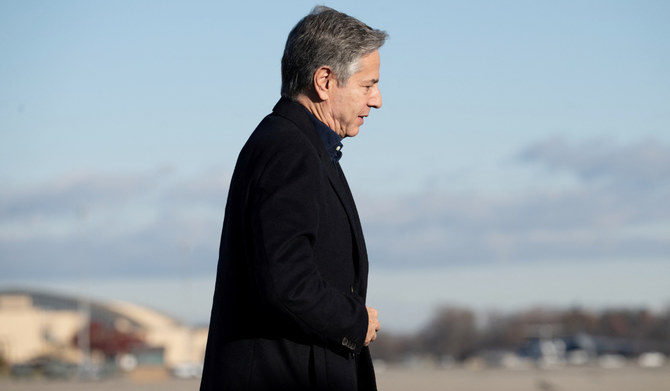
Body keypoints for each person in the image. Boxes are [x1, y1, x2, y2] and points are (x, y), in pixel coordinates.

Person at [200, 6, 387, 391]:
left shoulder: (302, 147)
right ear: (324, 81)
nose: (377, 100)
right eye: (368, 85)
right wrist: (356, 321)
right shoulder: (289, 151)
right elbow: (286, 284)